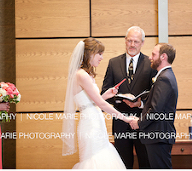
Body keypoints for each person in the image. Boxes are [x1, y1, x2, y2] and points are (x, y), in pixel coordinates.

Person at [61, 38, 137, 169]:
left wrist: (107, 94)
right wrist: (126, 119)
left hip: (95, 123)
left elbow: (91, 102)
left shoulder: (84, 74)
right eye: (99, 53)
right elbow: (101, 104)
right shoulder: (82, 75)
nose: (102, 57)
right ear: (89, 53)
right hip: (91, 127)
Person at [101, 26, 155, 169]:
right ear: (125, 41)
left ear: (142, 43)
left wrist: (140, 104)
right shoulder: (113, 63)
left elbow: (155, 94)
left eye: (136, 41)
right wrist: (119, 98)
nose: (132, 44)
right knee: (123, 164)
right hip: (120, 122)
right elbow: (105, 92)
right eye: (129, 40)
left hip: (142, 122)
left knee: (145, 162)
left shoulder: (150, 64)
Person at [131, 43, 178, 169]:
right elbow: (157, 104)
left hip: (158, 135)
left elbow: (156, 110)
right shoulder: (165, 76)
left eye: (153, 54)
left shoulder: (164, 78)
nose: (150, 57)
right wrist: (140, 104)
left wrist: (139, 123)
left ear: (163, 57)